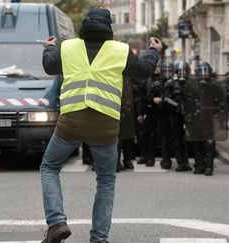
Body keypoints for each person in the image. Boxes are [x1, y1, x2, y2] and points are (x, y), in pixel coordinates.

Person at [40, 8, 161, 243]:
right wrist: (153, 50)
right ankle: (98, 238)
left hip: (71, 122)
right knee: (105, 180)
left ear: (85, 24)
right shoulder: (120, 51)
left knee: (49, 167)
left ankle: (56, 222)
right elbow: (145, 71)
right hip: (104, 124)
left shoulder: (68, 46)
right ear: (109, 27)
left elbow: (49, 66)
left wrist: (49, 48)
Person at [116, 77, 136, 172]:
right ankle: (116, 162)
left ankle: (127, 160)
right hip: (117, 110)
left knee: (128, 137)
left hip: (128, 111)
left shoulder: (129, 77)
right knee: (118, 139)